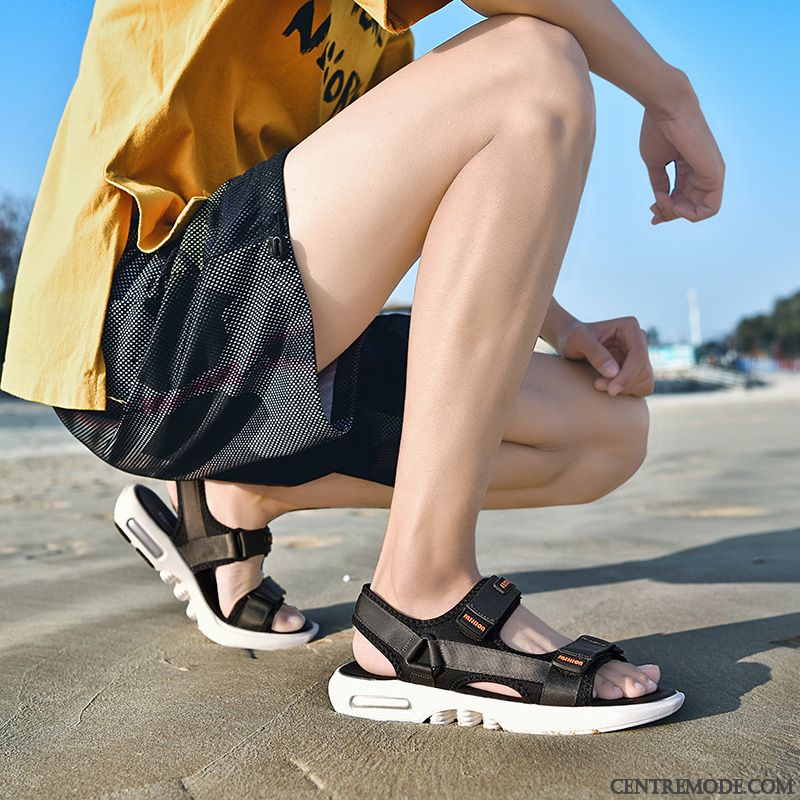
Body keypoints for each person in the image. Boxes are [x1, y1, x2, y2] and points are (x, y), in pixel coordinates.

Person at [1, 0, 723, 734]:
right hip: (142, 326)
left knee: (606, 432)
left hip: (257, 344)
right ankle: (422, 593)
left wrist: (566, 328)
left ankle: (235, 499)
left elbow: (396, 198)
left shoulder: (379, 38)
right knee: (535, 64)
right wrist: (668, 92)